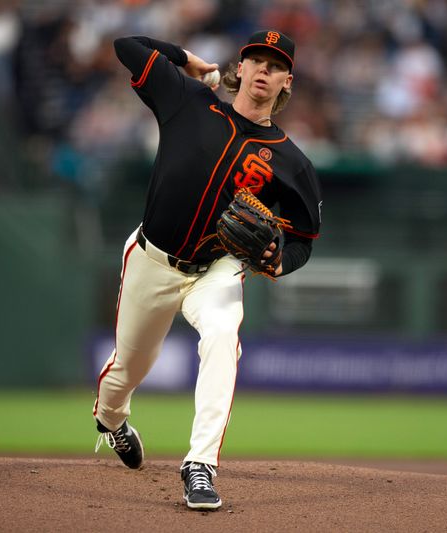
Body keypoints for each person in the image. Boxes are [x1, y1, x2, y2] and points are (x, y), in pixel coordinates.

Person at [91, 30, 322, 511]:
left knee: (222, 334)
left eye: (274, 66)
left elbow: (302, 240)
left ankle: (201, 466)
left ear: (287, 82)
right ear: (239, 69)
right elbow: (126, 46)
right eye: (255, 60)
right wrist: (188, 60)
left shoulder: (291, 162)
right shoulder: (188, 100)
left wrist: (280, 262)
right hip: (151, 260)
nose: (263, 70)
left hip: (216, 268)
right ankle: (111, 420)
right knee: (127, 371)